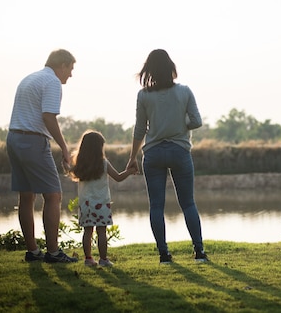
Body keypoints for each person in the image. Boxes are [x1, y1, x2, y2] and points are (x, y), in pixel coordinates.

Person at [126, 49, 208, 264]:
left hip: (152, 154)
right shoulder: (184, 91)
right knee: (188, 203)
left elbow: (139, 129)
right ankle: (199, 252)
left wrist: (132, 157)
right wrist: (181, 125)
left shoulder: (143, 95)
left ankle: (164, 255)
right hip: (179, 151)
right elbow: (197, 121)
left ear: (149, 70)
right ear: (171, 67)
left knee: (156, 206)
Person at [6, 49, 78, 263]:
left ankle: (33, 251)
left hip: (14, 139)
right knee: (53, 195)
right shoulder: (53, 82)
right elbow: (48, 117)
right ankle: (54, 253)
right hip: (33, 142)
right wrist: (64, 148)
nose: (71, 75)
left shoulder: (30, 78)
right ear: (62, 65)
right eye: (71, 69)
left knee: (26, 196)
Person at [68, 130, 137, 267]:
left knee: (87, 231)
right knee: (101, 232)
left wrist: (65, 164)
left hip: (85, 204)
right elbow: (118, 177)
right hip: (101, 204)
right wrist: (130, 171)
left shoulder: (80, 165)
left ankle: (88, 259)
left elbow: (70, 171)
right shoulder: (103, 163)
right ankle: (103, 259)